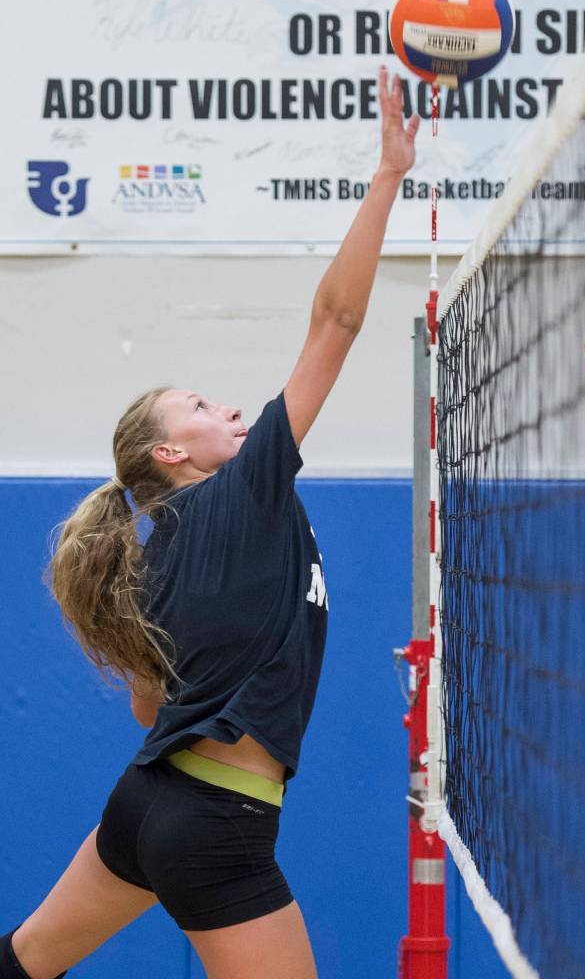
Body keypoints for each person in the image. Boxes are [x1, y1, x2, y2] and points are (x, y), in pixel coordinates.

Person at [0, 67, 420, 979]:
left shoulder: (153, 559)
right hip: (217, 829)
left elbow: (155, 704)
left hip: (145, 804)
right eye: (197, 403)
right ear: (169, 455)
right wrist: (388, 173)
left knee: (26, 959)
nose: (228, 408)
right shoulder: (243, 490)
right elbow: (338, 320)